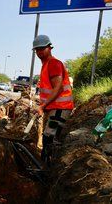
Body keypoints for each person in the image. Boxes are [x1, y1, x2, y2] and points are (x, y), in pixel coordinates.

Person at [32, 35, 74, 165]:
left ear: (50, 47)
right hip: (53, 108)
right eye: (37, 50)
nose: (39, 52)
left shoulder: (54, 64)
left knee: (50, 137)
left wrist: (42, 106)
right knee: (47, 136)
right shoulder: (45, 65)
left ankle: (48, 168)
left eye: (42, 49)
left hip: (61, 107)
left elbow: (58, 88)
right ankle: (45, 164)